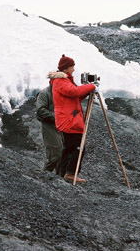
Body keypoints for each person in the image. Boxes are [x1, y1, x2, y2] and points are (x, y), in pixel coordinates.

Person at [49, 54, 96, 183]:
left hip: (68, 119)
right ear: (65, 69)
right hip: (69, 120)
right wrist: (92, 86)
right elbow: (74, 92)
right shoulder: (61, 81)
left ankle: (62, 173)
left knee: (69, 147)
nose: (74, 69)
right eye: (72, 67)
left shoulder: (63, 81)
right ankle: (70, 174)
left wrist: (86, 91)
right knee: (78, 147)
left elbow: (74, 96)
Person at [35, 81, 64, 175]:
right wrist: (58, 117)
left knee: (64, 154)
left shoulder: (63, 93)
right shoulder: (45, 93)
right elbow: (40, 111)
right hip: (50, 126)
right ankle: (44, 175)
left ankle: (60, 178)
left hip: (63, 126)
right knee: (55, 154)